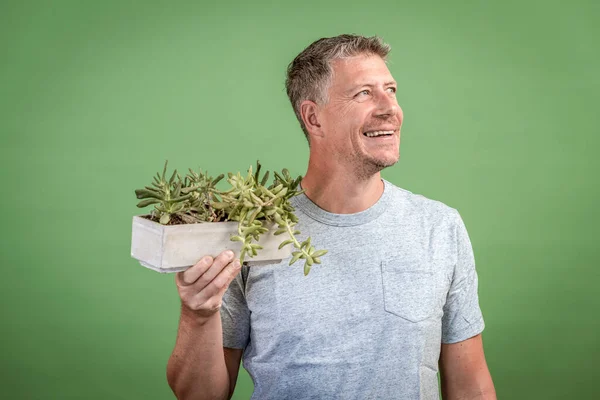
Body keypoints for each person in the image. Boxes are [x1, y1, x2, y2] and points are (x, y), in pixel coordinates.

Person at [166, 34, 496, 400]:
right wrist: (197, 315)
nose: (391, 108)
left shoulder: (439, 227)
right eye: (364, 94)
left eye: (391, 89)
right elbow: (199, 396)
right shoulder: (252, 230)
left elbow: (470, 384)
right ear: (313, 118)